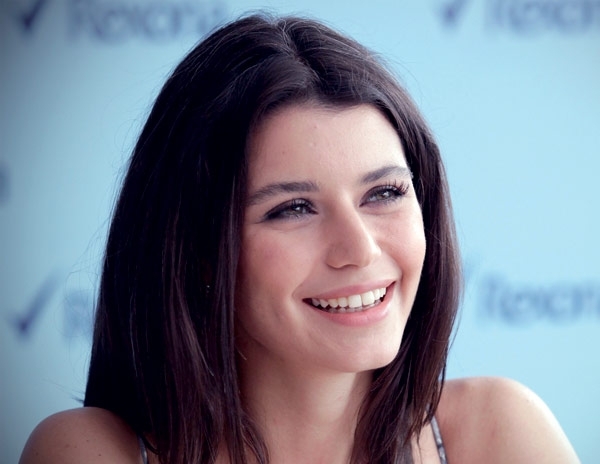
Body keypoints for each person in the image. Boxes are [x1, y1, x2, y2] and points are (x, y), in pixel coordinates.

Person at [19, 12, 579, 464]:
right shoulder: (88, 452)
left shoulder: (499, 432)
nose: (359, 249)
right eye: (293, 209)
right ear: (197, 252)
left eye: (384, 193)